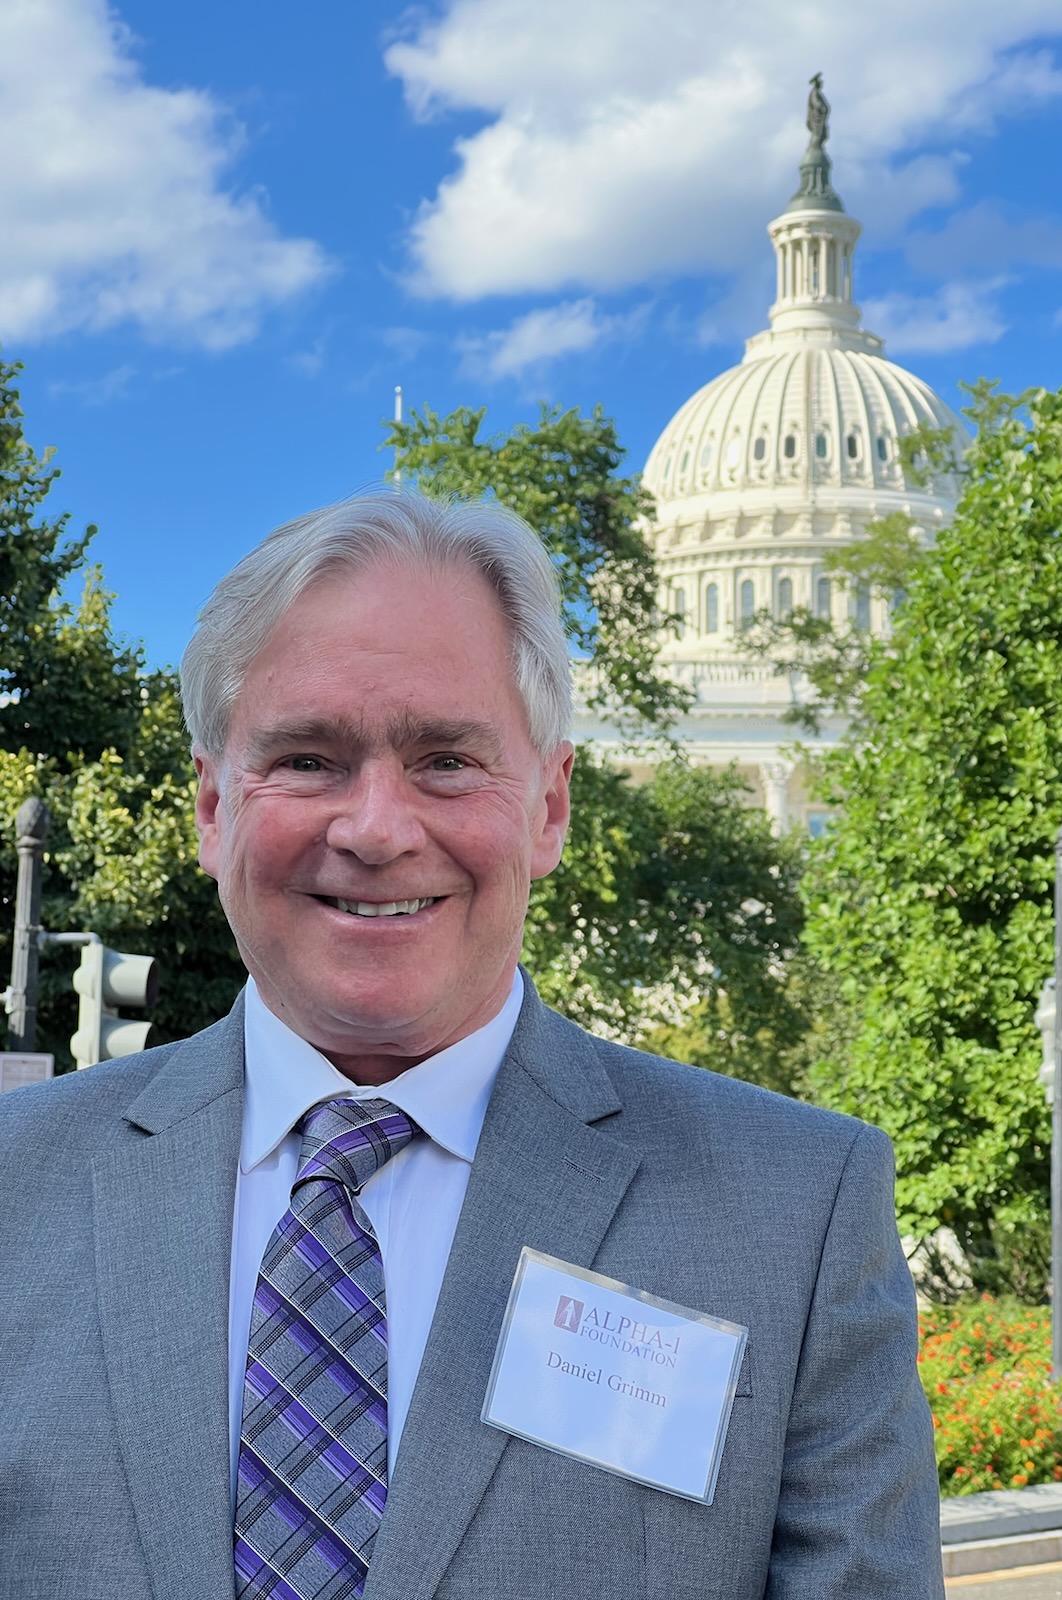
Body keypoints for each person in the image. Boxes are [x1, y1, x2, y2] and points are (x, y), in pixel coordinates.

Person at [0, 490, 944, 1598]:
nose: (378, 828)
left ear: (549, 807)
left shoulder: (794, 1212)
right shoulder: (16, 1187)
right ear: (212, 807)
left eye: (446, 758)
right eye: (307, 758)